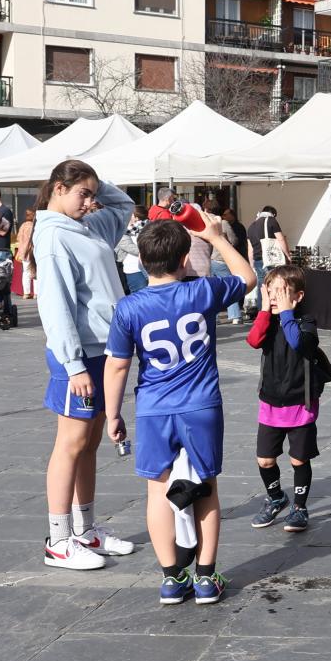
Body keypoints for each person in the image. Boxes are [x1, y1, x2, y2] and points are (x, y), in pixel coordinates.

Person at [105, 215, 254, 603]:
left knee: (156, 491)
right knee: (206, 489)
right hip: (201, 404)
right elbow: (248, 278)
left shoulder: (129, 307)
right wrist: (218, 239)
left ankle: (172, 578)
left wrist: (112, 413)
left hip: (153, 406)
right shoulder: (201, 292)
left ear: (140, 258)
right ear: (185, 259)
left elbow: (118, 364)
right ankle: (206, 576)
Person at [30, 159, 138, 570]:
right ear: (58, 188)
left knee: (89, 444)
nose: (91, 202)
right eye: (82, 193)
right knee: (70, 444)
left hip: (100, 350)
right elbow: (54, 305)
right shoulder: (54, 235)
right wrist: (73, 365)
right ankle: (59, 540)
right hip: (78, 355)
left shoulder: (85, 226)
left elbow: (124, 204)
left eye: (93, 194)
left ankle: (85, 530)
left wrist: (95, 185)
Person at [249, 264, 331, 534]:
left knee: (299, 460)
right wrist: (264, 309)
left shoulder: (305, 322)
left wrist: (286, 312)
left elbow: (297, 343)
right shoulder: (268, 320)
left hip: (300, 404)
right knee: (265, 459)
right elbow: (253, 340)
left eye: (282, 292)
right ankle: (275, 498)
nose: (275, 297)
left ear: (298, 297)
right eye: (271, 292)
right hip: (270, 402)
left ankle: (299, 507)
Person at [209, 216, 245, 326]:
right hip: (222, 258)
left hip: (211, 259)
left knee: (213, 289)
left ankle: (213, 317)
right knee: (230, 286)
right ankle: (235, 315)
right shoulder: (223, 223)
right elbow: (234, 240)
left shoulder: (207, 221)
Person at [246, 205, 289, 290]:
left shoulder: (251, 226)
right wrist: (287, 255)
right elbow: (281, 239)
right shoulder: (271, 220)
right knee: (274, 287)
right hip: (271, 260)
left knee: (262, 288)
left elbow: (250, 249)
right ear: (273, 214)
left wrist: (252, 264)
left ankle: (262, 303)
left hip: (258, 261)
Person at [15, 209, 38, 298]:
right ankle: (36, 293)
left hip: (24, 251)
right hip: (33, 250)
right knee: (35, 272)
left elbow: (18, 238)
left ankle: (26, 293)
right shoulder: (35, 226)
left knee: (26, 272)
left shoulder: (23, 226)